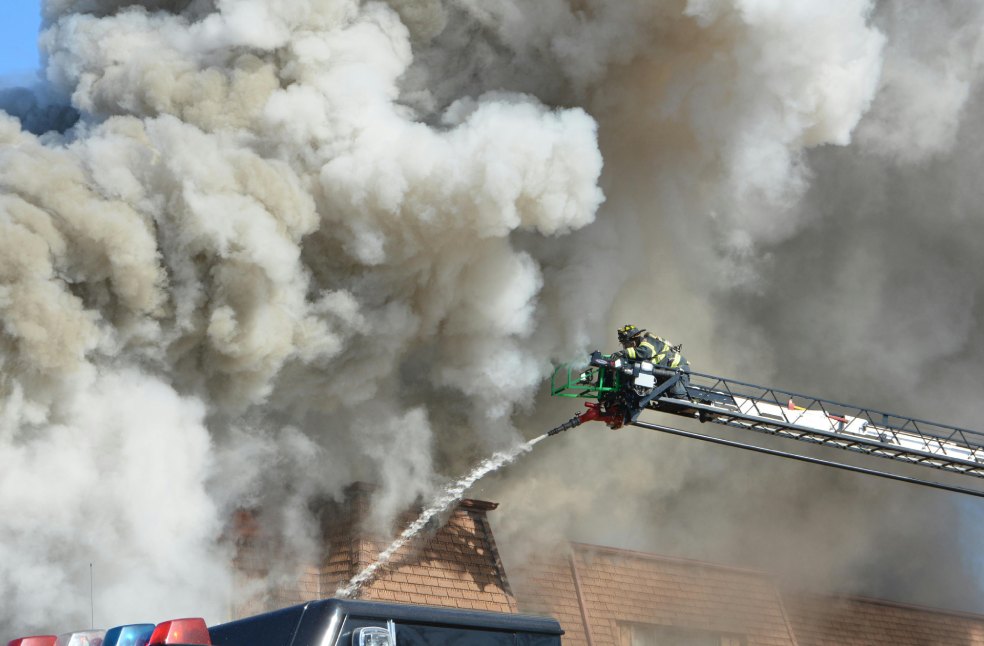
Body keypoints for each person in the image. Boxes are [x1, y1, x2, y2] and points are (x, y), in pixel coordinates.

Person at [615, 324, 690, 399]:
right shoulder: (639, 350)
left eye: (626, 343)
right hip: (666, 374)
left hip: (679, 372)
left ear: (634, 340)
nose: (624, 347)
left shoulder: (648, 342)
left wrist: (622, 353)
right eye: (623, 344)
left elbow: (644, 353)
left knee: (678, 396)